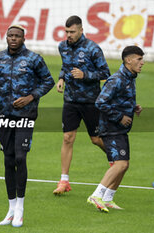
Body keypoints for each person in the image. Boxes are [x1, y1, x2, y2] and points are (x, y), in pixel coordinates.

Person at [0, 25, 55, 227]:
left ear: (24, 38)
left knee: (21, 157)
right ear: (6, 37)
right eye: (10, 36)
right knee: (8, 159)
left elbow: (48, 81)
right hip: (4, 114)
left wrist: (30, 97)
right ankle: (11, 208)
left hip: (26, 114)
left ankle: (21, 208)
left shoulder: (34, 59)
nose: (13, 39)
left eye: (17, 36)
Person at [53, 15, 111, 195]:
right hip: (70, 101)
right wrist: (61, 78)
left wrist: (85, 75)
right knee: (67, 138)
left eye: (72, 32)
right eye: (66, 31)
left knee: (96, 139)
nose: (68, 35)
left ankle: (116, 159)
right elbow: (65, 65)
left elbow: (105, 73)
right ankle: (64, 181)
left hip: (91, 101)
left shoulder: (93, 48)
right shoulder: (62, 46)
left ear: (81, 30)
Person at [87, 45, 144, 212]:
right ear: (128, 60)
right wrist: (120, 116)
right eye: (139, 59)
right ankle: (96, 195)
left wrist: (132, 107)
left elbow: (117, 100)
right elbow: (100, 102)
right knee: (119, 164)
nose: (142, 63)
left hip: (120, 129)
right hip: (111, 128)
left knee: (124, 165)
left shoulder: (130, 78)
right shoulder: (117, 79)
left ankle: (108, 198)